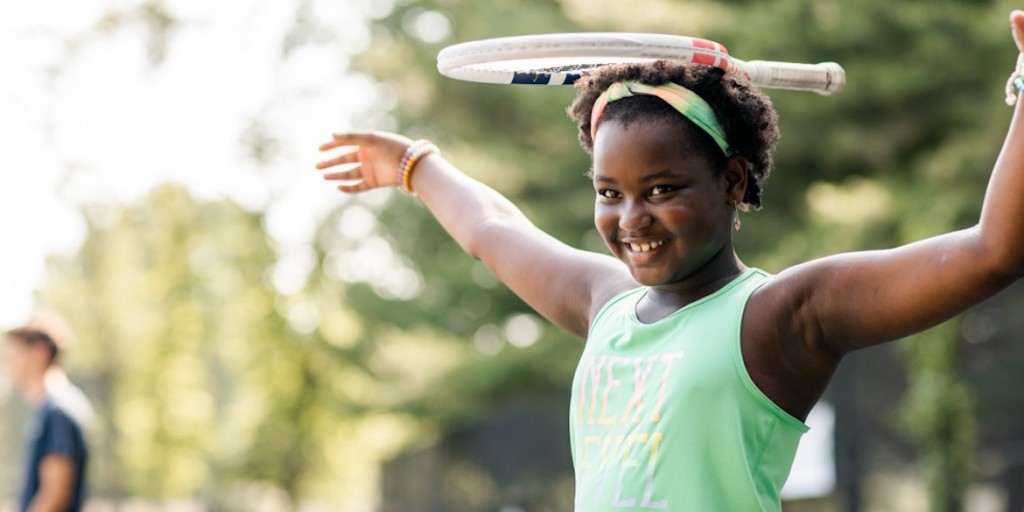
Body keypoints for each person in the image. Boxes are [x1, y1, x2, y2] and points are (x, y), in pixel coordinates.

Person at [316, 12, 1024, 511]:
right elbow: (492, 228)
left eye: (661, 190)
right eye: (609, 193)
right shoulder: (606, 303)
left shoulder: (780, 316)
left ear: (733, 181)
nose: (632, 220)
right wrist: (414, 164)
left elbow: (994, 251)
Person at [4, 311, 92, 512]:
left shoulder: (57, 411)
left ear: (40, 352)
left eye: (15, 353)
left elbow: (55, 493)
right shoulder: (52, 407)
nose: (8, 362)